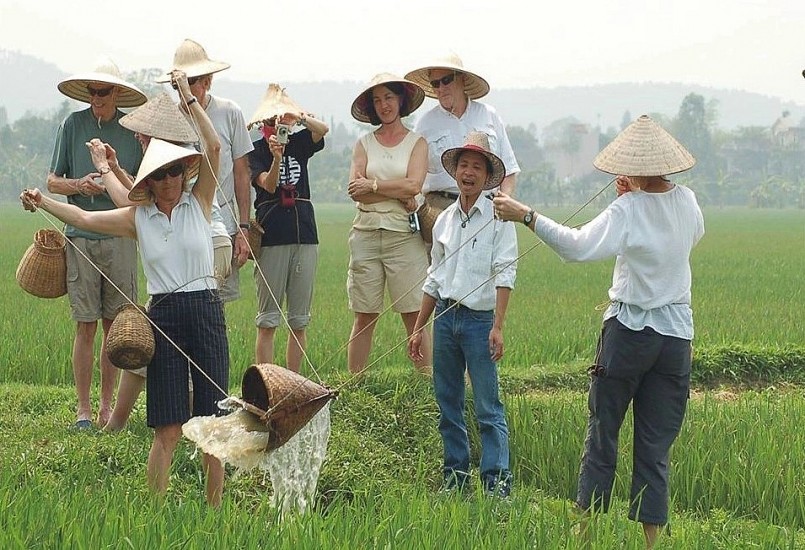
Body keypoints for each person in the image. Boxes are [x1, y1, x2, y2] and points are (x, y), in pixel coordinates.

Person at [493, 115, 704, 547]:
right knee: (654, 446)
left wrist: (525, 215)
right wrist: (641, 202)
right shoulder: (689, 202)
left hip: (629, 334)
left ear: (632, 166)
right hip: (676, 339)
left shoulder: (628, 208)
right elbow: (682, 239)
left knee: (603, 431)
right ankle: (652, 543)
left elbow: (577, 246)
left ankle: (585, 535)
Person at [23, 70, 228, 506]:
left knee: (213, 425)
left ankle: (216, 513)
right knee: (168, 427)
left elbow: (213, 148)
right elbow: (86, 219)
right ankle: (155, 510)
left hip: (207, 311)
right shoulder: (139, 218)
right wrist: (44, 201)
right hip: (166, 317)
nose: (170, 181)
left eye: (175, 172)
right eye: (161, 175)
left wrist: (189, 99)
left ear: (183, 174)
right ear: (149, 181)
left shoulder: (199, 203)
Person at [95, 92, 230, 431]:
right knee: (154, 344)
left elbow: (136, 199)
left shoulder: (173, 158)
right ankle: (157, 423)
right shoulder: (154, 169)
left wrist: (107, 170)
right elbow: (140, 201)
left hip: (198, 247)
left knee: (183, 348)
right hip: (170, 264)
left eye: (143, 131)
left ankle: (182, 422)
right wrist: (113, 169)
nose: (139, 136)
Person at [408, 131, 517, 497]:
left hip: (479, 322)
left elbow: (506, 272)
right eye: (464, 165)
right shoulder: (445, 221)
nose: (469, 173)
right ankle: (455, 479)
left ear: (487, 177)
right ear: (455, 171)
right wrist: (418, 328)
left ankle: (496, 485)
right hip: (446, 318)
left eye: (477, 167)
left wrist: (498, 326)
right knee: (448, 404)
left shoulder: (500, 218)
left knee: (488, 406)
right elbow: (434, 277)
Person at [47, 59, 146, 429]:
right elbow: (53, 181)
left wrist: (112, 177)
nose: (97, 98)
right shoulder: (72, 125)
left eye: (103, 92)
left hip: (120, 234)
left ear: (117, 93)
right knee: (84, 324)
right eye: (92, 92)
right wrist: (80, 185)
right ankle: (84, 410)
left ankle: (108, 407)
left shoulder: (132, 130)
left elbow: (142, 184)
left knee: (115, 325)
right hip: (81, 237)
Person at [346, 73, 432, 374]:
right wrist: (387, 189)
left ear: (401, 100)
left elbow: (413, 187)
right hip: (365, 234)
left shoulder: (417, 143)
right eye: (378, 100)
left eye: (389, 98)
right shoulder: (364, 143)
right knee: (364, 315)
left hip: (403, 236)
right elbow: (355, 191)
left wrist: (372, 186)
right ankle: (355, 386)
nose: (384, 105)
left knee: (414, 314)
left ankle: (425, 383)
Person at [157, 38, 254, 302]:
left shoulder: (229, 112)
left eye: (191, 82)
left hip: (224, 220)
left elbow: (242, 173)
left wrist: (243, 229)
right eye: (180, 84)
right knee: (184, 298)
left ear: (207, 81)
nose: (185, 90)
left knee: (217, 302)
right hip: (183, 223)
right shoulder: (169, 119)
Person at [247, 84, 329, 372]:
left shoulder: (300, 143)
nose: (275, 126)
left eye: (280, 120)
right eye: (270, 121)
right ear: (262, 124)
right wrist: (277, 157)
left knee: (299, 321)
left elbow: (323, 130)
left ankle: (294, 383)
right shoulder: (255, 151)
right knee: (268, 319)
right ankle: (266, 385)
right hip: (271, 236)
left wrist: (300, 118)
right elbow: (268, 185)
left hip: (305, 233)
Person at [405, 53, 520, 233]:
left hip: (486, 207)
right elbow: (412, 177)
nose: (441, 88)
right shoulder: (425, 125)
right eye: (435, 83)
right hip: (440, 210)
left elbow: (509, 169)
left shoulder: (488, 115)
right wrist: (424, 212)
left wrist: (502, 206)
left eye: (446, 80)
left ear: (463, 80)